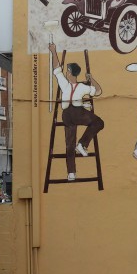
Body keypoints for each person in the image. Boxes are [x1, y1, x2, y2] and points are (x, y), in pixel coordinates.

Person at [48, 42, 104, 181]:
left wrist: (91, 79)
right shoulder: (72, 85)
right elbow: (57, 68)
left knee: (70, 143)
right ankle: (81, 146)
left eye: (67, 71)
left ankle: (72, 170)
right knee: (97, 123)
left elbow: (98, 91)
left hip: (69, 114)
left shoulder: (74, 85)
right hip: (75, 113)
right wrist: (53, 51)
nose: (65, 72)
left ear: (71, 73)